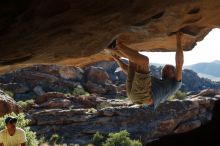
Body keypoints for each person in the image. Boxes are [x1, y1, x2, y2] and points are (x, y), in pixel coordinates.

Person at [106, 32, 184, 109]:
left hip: (144, 97)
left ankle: (117, 45)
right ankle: (113, 48)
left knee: (144, 61)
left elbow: (179, 63)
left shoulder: (175, 84)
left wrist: (179, 39)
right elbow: (128, 71)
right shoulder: (153, 81)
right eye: (165, 67)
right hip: (134, 94)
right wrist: (117, 59)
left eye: (169, 68)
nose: (165, 69)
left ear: (175, 74)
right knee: (134, 58)